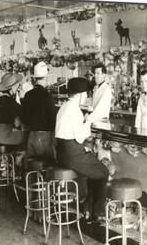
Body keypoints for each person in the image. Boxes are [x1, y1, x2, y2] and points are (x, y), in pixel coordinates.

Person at [55, 77, 109, 221]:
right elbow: (80, 138)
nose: (86, 98)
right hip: (72, 154)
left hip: (61, 153)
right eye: (85, 94)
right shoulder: (74, 111)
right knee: (103, 172)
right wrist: (88, 121)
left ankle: (88, 209)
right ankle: (98, 213)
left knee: (93, 172)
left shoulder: (63, 107)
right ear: (79, 95)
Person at [21, 61, 57, 160]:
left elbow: (24, 117)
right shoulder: (47, 96)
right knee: (48, 166)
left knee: (32, 168)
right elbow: (53, 119)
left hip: (31, 137)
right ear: (46, 77)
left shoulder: (28, 95)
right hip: (44, 138)